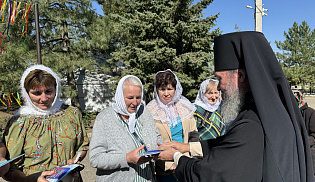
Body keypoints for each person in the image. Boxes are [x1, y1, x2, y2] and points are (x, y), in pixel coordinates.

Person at [157, 31, 314, 182]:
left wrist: (176, 156)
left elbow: (212, 175)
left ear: (240, 76)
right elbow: (228, 144)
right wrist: (187, 147)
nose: (218, 87)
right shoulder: (269, 114)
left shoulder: (252, 123)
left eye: (220, 79)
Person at [2, 64, 89, 182]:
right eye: (36, 93)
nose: (44, 98)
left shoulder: (71, 114)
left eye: (49, 91)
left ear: (56, 89)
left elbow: (82, 146)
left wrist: (75, 158)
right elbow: (8, 169)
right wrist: (31, 179)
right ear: (26, 93)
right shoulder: (19, 122)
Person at [89, 75, 163, 182]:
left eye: (138, 97)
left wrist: (159, 149)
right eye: (130, 98)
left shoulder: (143, 112)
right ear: (120, 96)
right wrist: (126, 158)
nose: (135, 102)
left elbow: (157, 138)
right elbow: (95, 159)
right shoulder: (104, 118)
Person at [146, 70, 202, 182]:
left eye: (170, 89)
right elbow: (150, 143)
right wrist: (169, 165)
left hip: (185, 163)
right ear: (157, 90)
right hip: (164, 168)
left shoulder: (185, 107)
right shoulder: (150, 111)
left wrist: (189, 160)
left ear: (175, 90)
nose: (166, 93)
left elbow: (193, 135)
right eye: (162, 89)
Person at [293, 90, 315, 175]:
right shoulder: (289, 113)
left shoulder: (311, 113)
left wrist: (303, 142)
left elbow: (314, 135)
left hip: (309, 144)